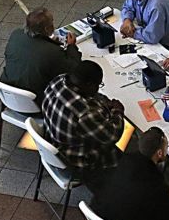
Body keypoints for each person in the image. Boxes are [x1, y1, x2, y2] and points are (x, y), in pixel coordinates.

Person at [40, 60, 126, 189]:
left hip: (53, 139)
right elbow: (113, 135)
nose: (98, 89)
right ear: (88, 84)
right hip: (78, 159)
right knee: (129, 154)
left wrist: (102, 103)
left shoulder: (58, 80)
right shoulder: (84, 113)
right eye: (98, 85)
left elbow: (90, 98)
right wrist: (118, 111)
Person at [1, 7, 83, 102]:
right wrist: (71, 46)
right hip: (34, 100)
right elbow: (74, 68)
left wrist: (49, 42)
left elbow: (33, 50)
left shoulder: (16, 35)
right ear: (46, 28)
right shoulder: (53, 52)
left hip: (8, 94)